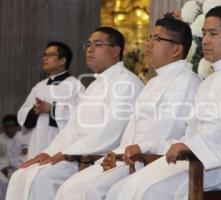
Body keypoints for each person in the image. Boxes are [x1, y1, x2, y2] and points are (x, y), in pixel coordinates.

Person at [106, 5, 221, 200]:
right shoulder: (210, 80)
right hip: (195, 160)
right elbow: (189, 137)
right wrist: (147, 146)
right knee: (121, 189)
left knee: (147, 191)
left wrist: (193, 147)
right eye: (204, 33)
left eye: (213, 34)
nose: (205, 40)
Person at [54, 15, 201, 200]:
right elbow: (133, 127)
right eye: (150, 38)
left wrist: (128, 154)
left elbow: (166, 130)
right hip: (131, 157)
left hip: (153, 161)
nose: (149, 44)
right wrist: (115, 155)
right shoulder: (154, 81)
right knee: (70, 188)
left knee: (95, 190)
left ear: (176, 49)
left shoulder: (185, 81)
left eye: (158, 39)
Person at [5, 27, 143, 200]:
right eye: (88, 45)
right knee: (21, 175)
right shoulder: (94, 85)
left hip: (96, 157)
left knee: (42, 178)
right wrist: (49, 152)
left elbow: (111, 133)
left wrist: (67, 152)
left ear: (116, 51)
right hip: (75, 153)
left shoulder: (127, 83)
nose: (90, 49)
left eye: (98, 44)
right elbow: (72, 128)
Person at [17, 41, 85, 159]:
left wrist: (52, 109)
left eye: (50, 55)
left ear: (62, 61)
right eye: (44, 55)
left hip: (60, 145)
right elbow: (22, 113)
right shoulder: (39, 86)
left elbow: (82, 114)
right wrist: (35, 110)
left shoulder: (75, 85)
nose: (45, 58)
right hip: (37, 142)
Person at [0, 115, 22, 200]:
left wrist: (17, 169)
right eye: (6, 127)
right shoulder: (0, 138)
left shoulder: (23, 138)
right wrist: (2, 167)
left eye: (11, 126)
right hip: (3, 172)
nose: (8, 129)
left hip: (19, 170)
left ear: (17, 127)